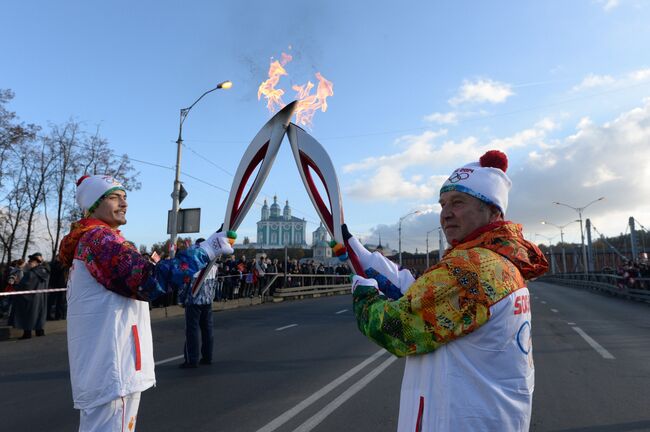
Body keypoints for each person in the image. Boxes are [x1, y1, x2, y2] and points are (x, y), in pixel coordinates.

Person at [342, 150, 549, 431]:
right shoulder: (495, 261)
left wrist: (363, 291)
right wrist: (359, 254)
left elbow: (395, 328)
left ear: (492, 210)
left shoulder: (473, 268)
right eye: (443, 204)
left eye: (458, 202)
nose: (446, 214)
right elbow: (418, 292)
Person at [58, 174, 235, 432]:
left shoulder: (92, 241)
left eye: (125, 197)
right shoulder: (100, 240)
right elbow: (148, 281)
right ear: (94, 204)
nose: (124, 203)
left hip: (105, 363)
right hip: (113, 364)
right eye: (114, 197)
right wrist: (206, 251)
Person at [177, 238, 217, 369]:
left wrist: (181, 300)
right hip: (207, 301)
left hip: (193, 301)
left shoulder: (193, 264)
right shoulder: (214, 266)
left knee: (192, 331)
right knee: (207, 329)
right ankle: (207, 357)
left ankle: (192, 359)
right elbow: (214, 284)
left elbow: (185, 284)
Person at [13, 253, 50, 339]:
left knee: (29, 314)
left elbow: (24, 285)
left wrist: (16, 284)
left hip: (32, 299)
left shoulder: (31, 274)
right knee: (40, 314)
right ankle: (39, 331)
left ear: (36, 263)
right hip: (41, 298)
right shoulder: (46, 272)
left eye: (31, 262)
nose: (29, 263)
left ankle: (27, 333)